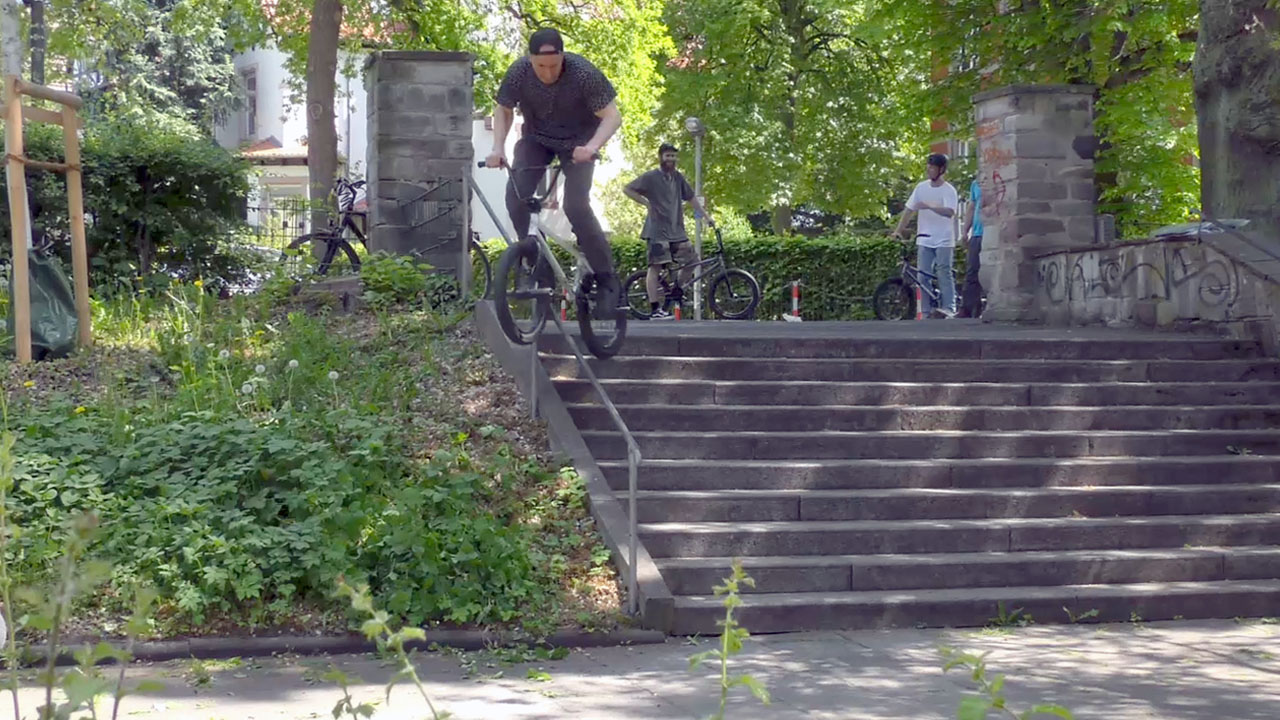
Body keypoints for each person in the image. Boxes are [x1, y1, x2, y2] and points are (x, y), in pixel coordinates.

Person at [485, 27, 624, 316]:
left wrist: (593, 146)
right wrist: (497, 147)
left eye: (553, 66)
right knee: (517, 198)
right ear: (530, 60)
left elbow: (612, 116)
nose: (547, 73)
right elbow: (504, 109)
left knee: (576, 205)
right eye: (540, 67)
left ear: (563, 56)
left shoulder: (583, 73)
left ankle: (607, 279)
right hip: (537, 140)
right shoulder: (519, 72)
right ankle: (537, 266)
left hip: (579, 145)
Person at [623, 143, 712, 320]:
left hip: (676, 231)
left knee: (693, 261)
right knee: (655, 267)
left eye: (673, 156)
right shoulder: (651, 177)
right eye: (667, 156)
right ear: (661, 157)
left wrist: (707, 217)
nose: (671, 159)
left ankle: (676, 290)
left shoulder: (678, 178)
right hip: (657, 231)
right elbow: (627, 189)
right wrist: (646, 203)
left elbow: (692, 198)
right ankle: (655, 309)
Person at [892, 153, 959, 318]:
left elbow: (950, 212)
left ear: (941, 170)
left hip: (944, 238)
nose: (929, 171)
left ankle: (949, 308)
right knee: (922, 275)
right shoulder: (921, 188)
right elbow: (909, 210)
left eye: (933, 168)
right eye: (928, 168)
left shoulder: (948, 190)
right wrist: (898, 230)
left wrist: (929, 206)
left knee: (944, 272)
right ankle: (926, 311)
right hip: (924, 238)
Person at [959, 176, 984, 318]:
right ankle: (968, 308)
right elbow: (972, 206)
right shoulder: (976, 183)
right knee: (972, 271)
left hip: (990, 232)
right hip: (977, 233)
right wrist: (965, 231)